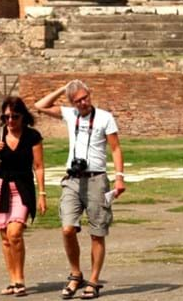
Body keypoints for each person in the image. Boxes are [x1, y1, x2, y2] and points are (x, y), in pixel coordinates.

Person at [34, 81, 125, 300]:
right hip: (73, 179)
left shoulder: (104, 117)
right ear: (71, 102)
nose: (83, 103)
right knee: (67, 228)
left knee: (97, 233)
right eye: (78, 100)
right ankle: (76, 274)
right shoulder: (69, 113)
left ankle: (93, 281)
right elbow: (40, 105)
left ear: (90, 94)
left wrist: (119, 178)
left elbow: (115, 148)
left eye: (85, 97)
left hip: (97, 179)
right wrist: (62, 88)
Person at [0, 97, 46, 297]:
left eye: (15, 116)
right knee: (5, 238)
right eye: (6, 117)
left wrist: (42, 194)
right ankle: (13, 281)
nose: (10, 121)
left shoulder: (32, 136)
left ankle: (20, 279)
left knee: (15, 233)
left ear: (23, 116)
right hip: (0, 188)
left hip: (23, 188)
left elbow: (39, 167)